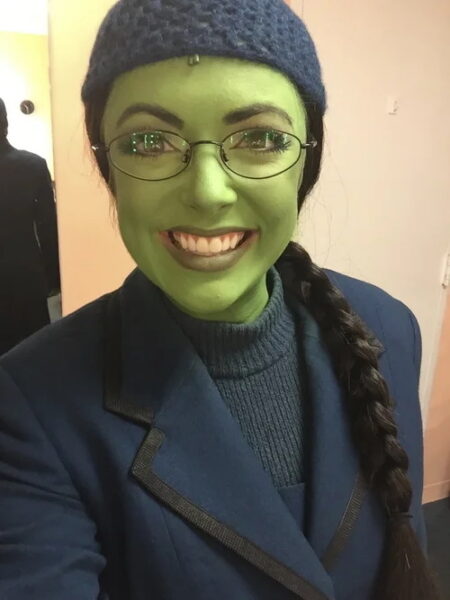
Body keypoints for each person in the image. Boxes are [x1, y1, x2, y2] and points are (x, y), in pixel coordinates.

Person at [0, 1, 442, 598]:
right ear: (109, 169)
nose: (208, 193)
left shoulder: (388, 327)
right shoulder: (31, 402)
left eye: (260, 137)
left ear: (305, 162)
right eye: (149, 141)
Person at [0, 98, 60, 355]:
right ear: (5, 122)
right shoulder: (32, 166)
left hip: (23, 276)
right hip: (25, 276)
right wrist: (54, 278)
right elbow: (48, 228)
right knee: (32, 356)